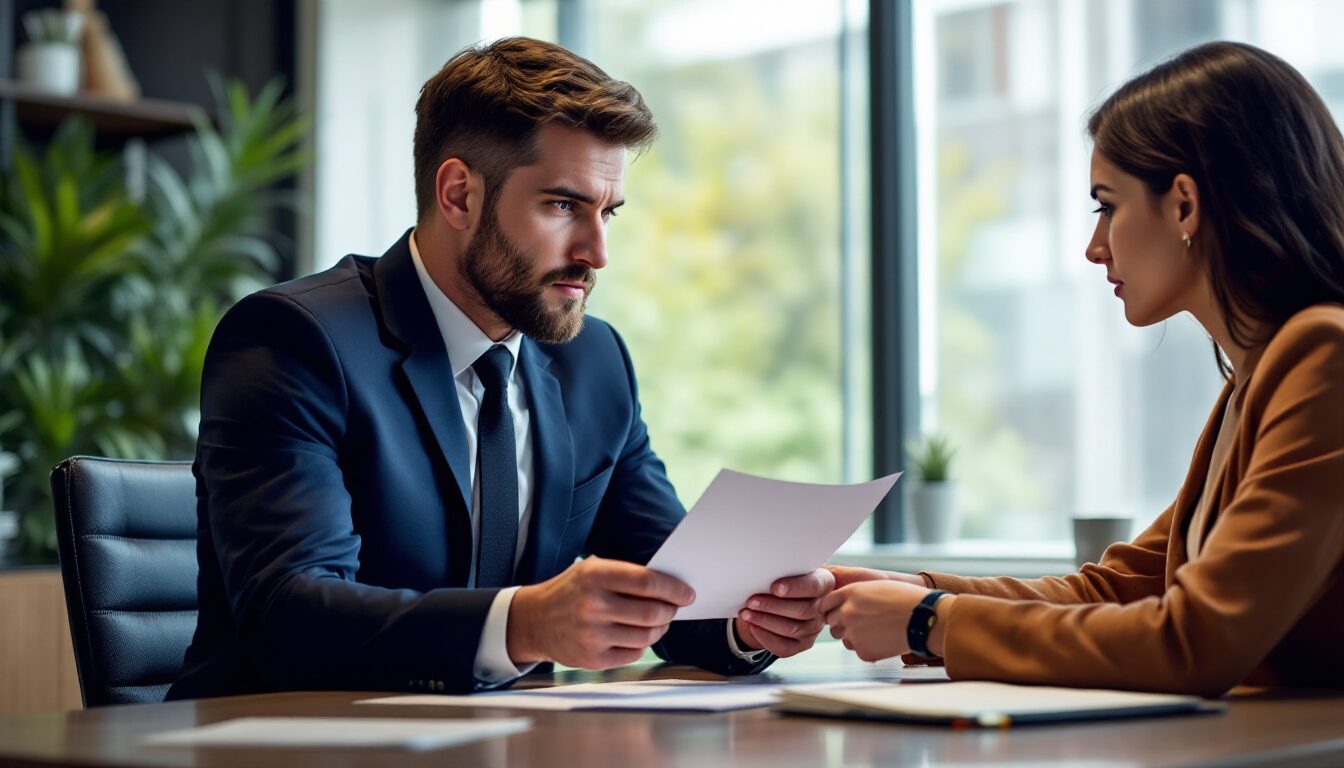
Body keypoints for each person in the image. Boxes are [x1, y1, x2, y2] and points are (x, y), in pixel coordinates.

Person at [169, 37, 831, 700]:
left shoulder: (594, 364)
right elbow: (289, 616)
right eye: (564, 206)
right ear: (459, 195)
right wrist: (524, 625)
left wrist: (754, 620)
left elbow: (674, 590)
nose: (597, 252)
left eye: (609, 213)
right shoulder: (296, 341)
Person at [822, 41, 1344, 696]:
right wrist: (914, 590)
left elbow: (1192, 643)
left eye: (1107, 205)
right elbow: (1117, 587)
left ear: (1183, 204)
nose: (1095, 247)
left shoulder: (1322, 356)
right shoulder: (1261, 374)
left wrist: (929, 622)